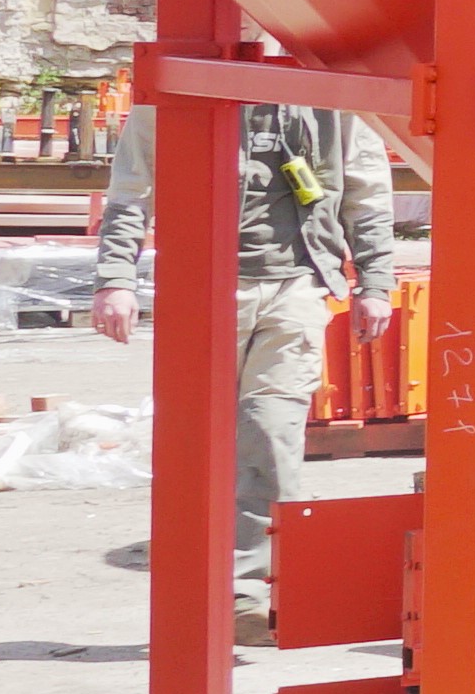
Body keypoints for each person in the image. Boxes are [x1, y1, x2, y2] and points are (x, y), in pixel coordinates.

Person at [89, 97, 398, 592]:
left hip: (298, 284)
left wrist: (375, 283)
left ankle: (255, 586)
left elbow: (367, 189)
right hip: (204, 285)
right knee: (197, 438)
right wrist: (115, 279)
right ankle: (197, 574)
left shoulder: (329, 93)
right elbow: (133, 187)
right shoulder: (177, 88)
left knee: (272, 431)